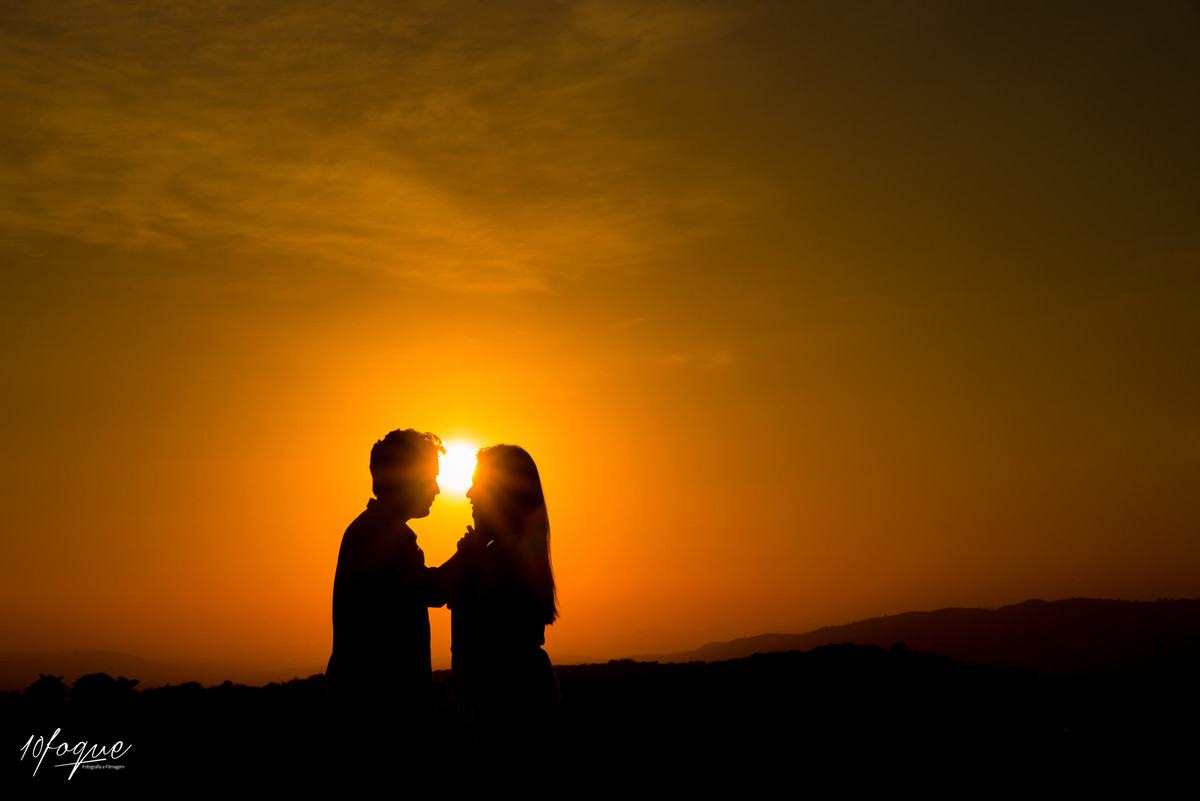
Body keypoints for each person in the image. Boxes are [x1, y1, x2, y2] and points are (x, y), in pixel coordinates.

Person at [325, 429, 446, 740]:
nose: (437, 489)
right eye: (430, 478)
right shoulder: (380, 535)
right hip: (380, 713)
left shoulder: (372, 529)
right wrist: (471, 550)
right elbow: (432, 589)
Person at [443, 444, 560, 750]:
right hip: (514, 698)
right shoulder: (507, 550)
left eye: (478, 485)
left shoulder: (509, 554)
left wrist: (468, 561)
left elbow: (487, 639)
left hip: (510, 707)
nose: (469, 494)